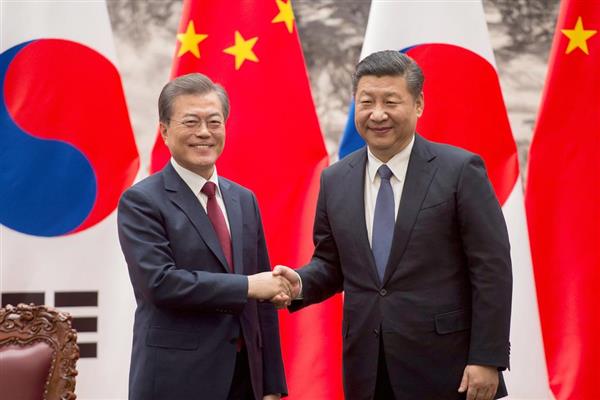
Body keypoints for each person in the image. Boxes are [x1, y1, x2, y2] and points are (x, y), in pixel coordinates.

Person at [274, 50, 512, 400]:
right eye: (366, 102)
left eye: (390, 101)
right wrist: (299, 283)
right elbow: (331, 264)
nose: (377, 114)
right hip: (368, 368)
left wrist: (487, 357)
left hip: (448, 367)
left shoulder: (460, 171)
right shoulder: (335, 179)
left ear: (418, 104)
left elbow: (491, 268)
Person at [118, 73, 288, 400]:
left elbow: (264, 297)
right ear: (164, 131)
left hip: (244, 380)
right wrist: (247, 286)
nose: (204, 133)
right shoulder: (142, 201)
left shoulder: (243, 199)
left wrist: (272, 385)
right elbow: (160, 283)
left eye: (214, 122)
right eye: (191, 122)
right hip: (176, 380)